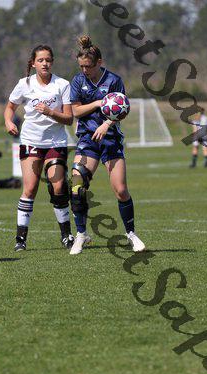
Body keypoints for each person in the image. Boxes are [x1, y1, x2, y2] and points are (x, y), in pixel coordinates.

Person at [68, 35, 146, 255]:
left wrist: (107, 123)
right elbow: (76, 111)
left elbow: (123, 109)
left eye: (89, 66)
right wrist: (96, 103)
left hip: (110, 140)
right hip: (87, 139)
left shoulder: (113, 80)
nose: (85, 70)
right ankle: (81, 234)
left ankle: (131, 234)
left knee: (121, 190)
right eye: (81, 66)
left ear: (99, 62)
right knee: (77, 185)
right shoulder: (78, 81)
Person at [4, 44, 75, 251]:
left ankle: (66, 235)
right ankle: (20, 239)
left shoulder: (62, 84)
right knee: (30, 188)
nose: (45, 63)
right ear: (33, 63)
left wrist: (51, 112)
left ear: (53, 62)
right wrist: (8, 122)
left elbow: (69, 119)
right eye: (41, 60)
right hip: (31, 141)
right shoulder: (24, 84)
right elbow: (10, 107)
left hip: (55, 142)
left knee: (59, 186)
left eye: (48, 60)